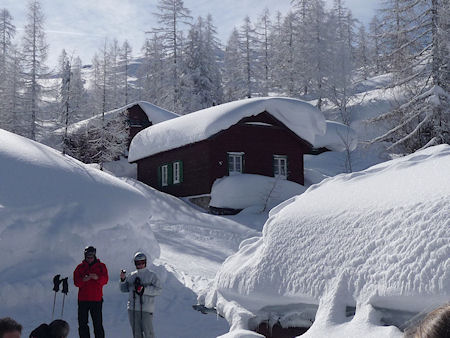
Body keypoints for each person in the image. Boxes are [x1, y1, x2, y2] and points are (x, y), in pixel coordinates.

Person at [120, 252, 162, 338]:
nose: (140, 265)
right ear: (135, 263)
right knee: (136, 333)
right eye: (138, 263)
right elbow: (124, 289)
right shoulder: (132, 276)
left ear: (146, 262)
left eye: (142, 262)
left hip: (146, 309)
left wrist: (144, 290)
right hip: (133, 308)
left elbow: (158, 290)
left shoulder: (151, 275)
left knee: (148, 333)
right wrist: (123, 280)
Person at [73, 246, 108, 338]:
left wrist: (97, 278)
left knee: (98, 324)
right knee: (82, 324)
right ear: (85, 256)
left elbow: (105, 280)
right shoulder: (79, 268)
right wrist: (84, 280)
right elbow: (76, 283)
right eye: (88, 257)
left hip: (96, 300)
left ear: (95, 256)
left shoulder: (101, 266)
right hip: (83, 300)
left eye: (91, 256)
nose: (90, 259)